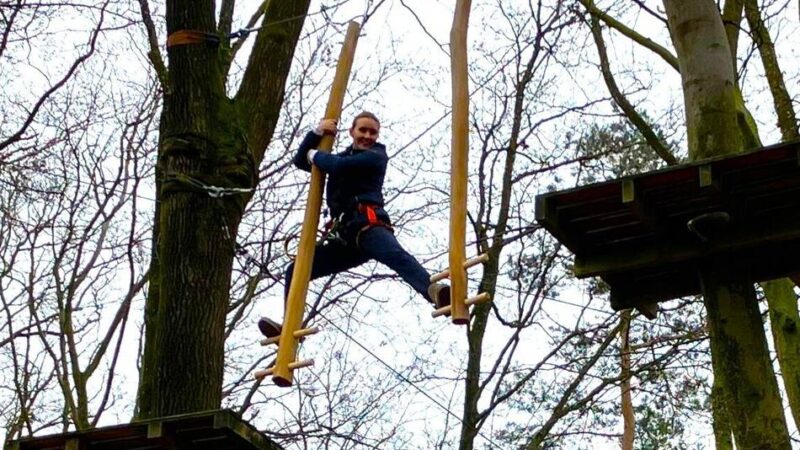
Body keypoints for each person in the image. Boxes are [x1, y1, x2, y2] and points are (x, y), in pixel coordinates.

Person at [258, 111, 451, 337]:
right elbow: (301, 161)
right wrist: (316, 133)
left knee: (396, 255)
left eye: (373, 132)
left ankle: (434, 291)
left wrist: (315, 154)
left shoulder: (376, 156)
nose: (367, 136)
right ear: (351, 132)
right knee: (297, 269)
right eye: (363, 130)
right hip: (345, 237)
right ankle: (290, 324)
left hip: (369, 225)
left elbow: (337, 166)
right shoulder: (340, 157)